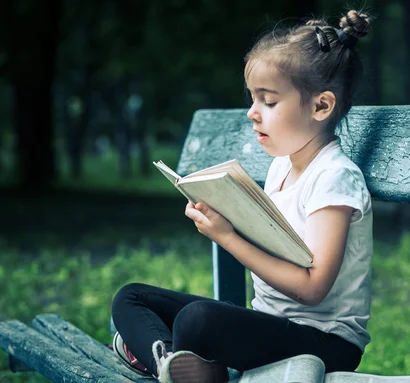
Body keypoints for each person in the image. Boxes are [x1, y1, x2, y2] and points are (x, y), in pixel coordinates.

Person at [111, 9, 374, 383]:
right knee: (131, 297)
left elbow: (312, 288)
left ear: (321, 106)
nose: (252, 113)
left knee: (197, 320)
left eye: (268, 101)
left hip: (326, 342)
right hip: (269, 325)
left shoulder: (334, 177)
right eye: (253, 99)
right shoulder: (283, 165)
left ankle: (171, 360)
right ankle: (172, 363)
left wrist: (228, 236)